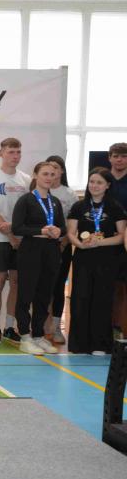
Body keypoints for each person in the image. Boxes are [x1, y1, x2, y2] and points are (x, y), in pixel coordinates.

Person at [67, 169, 126, 355]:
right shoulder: (78, 206)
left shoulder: (115, 207)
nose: (94, 185)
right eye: (92, 181)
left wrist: (100, 242)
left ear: (107, 185)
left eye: (99, 182)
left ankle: (100, 344)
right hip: (83, 258)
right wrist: (80, 245)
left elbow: (121, 236)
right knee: (80, 298)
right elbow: (71, 233)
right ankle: (79, 344)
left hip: (107, 260)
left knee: (102, 299)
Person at [0, 137, 31, 346]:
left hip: (21, 238)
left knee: (16, 282)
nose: (15, 156)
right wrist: (10, 235)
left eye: (18, 152)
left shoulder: (26, 179)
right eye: (11, 152)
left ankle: (9, 327)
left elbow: (29, 210)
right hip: (0, 237)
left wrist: (18, 234)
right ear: (1, 153)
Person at [11, 162, 66, 355]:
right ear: (35, 175)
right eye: (45, 174)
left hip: (51, 251)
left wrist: (59, 231)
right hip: (30, 251)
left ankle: (38, 335)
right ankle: (25, 336)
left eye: (52, 174)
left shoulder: (55, 201)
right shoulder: (25, 200)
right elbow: (17, 228)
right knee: (25, 295)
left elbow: (63, 227)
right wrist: (41, 230)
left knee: (44, 295)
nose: (49, 178)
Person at [44, 156, 78, 344]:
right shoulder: (39, 191)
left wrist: (64, 242)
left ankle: (57, 327)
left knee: (58, 287)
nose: (52, 172)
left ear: (62, 171)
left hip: (62, 245)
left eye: (56, 168)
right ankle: (40, 325)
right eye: (48, 168)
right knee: (42, 286)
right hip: (42, 246)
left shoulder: (69, 194)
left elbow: (72, 224)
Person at [105, 143, 127, 338]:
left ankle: (118, 327)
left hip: (125, 239)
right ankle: (102, 326)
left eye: (124, 156)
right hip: (104, 239)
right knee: (105, 285)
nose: (119, 159)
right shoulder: (102, 178)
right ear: (109, 158)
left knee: (122, 286)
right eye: (116, 156)